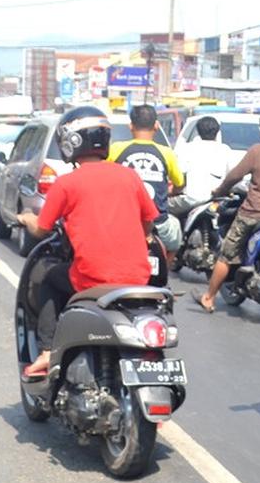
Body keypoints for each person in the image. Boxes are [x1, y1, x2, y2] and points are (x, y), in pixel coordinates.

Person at [17, 106, 159, 378]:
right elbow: (148, 221)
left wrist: (25, 218)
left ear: (71, 142)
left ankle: (47, 350)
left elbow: (43, 229)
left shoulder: (67, 183)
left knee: (47, 279)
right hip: (137, 279)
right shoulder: (129, 176)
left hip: (91, 279)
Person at [198, 110, 260, 314]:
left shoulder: (258, 151)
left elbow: (234, 176)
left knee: (226, 254)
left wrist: (220, 190)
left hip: (253, 213)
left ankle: (208, 297)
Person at [109, 105, 185, 260]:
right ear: (156, 126)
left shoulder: (116, 149)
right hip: (159, 224)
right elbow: (179, 184)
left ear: (131, 126)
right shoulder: (166, 153)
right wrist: (172, 192)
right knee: (175, 240)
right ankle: (165, 271)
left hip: (123, 222)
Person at [168, 116, 235, 216]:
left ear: (198, 131)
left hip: (190, 199)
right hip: (217, 199)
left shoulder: (187, 149)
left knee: (162, 207)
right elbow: (233, 177)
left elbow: (179, 180)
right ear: (217, 132)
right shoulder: (225, 150)